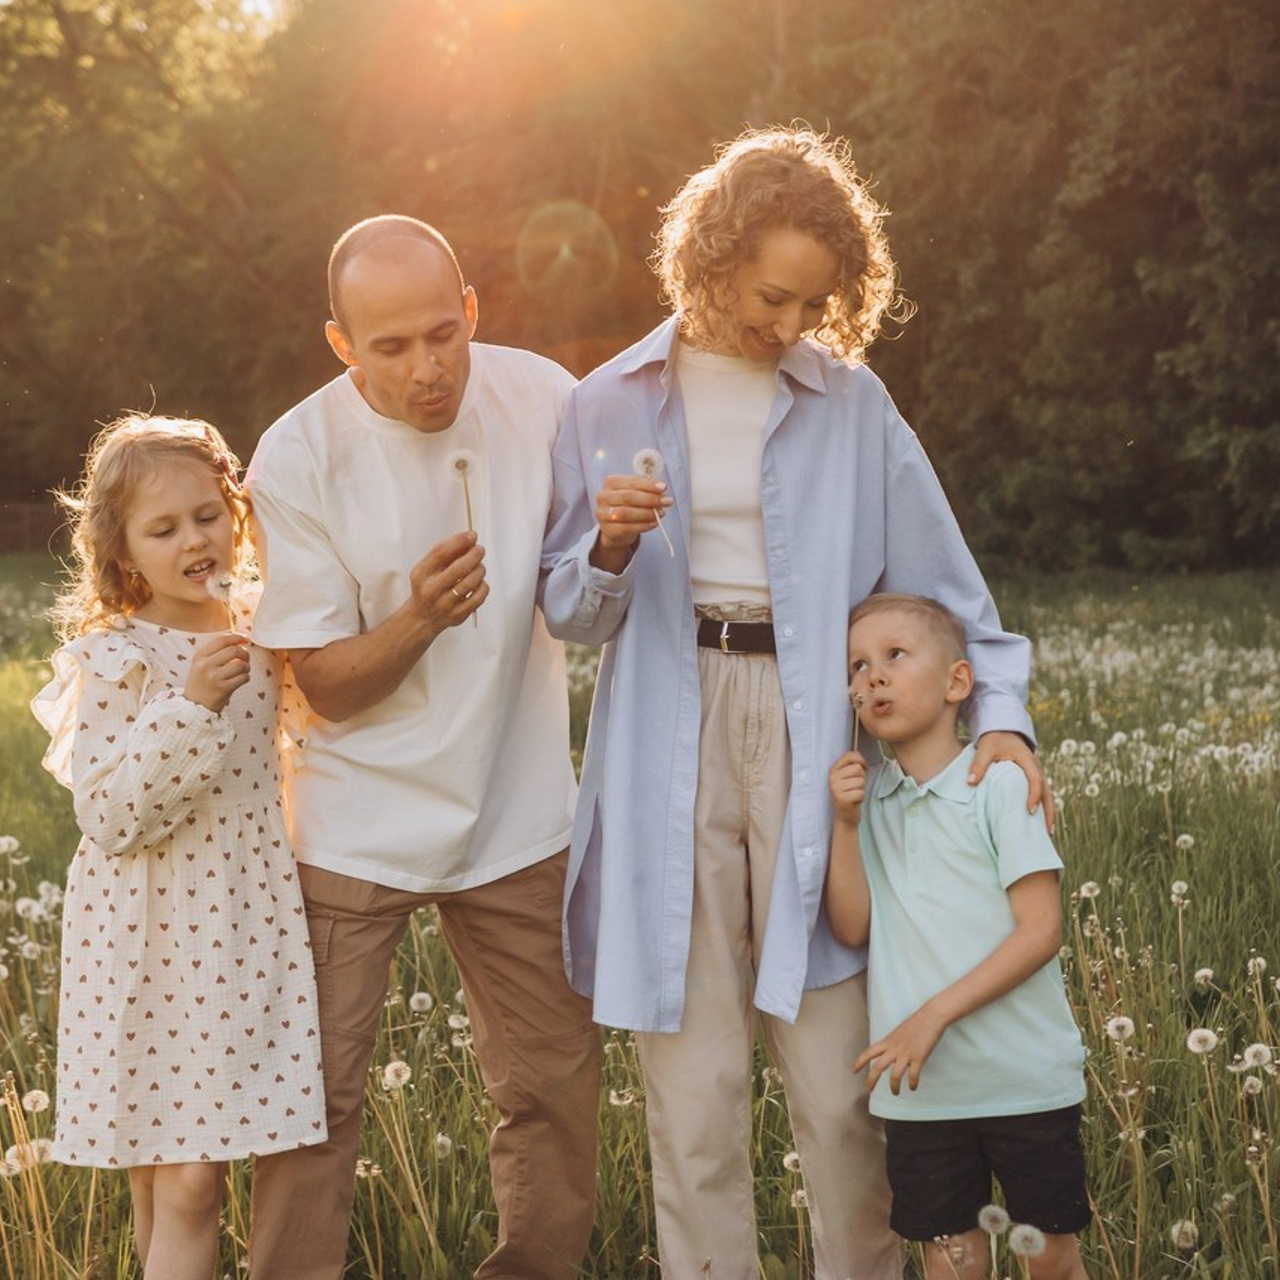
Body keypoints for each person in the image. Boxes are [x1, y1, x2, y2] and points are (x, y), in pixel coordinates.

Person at [540, 125, 1050, 1278]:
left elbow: (949, 592)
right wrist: (607, 546)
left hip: (817, 730)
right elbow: (568, 611)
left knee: (837, 1083)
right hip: (663, 729)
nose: (788, 324)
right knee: (693, 1090)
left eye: (813, 304)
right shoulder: (603, 400)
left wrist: (1002, 720)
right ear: (711, 260)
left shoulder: (851, 403)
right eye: (771, 296)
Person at [243, 214, 600, 1280]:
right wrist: (420, 619)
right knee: (315, 1099)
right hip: (351, 821)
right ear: (340, 344)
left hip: (516, 807)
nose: (427, 367)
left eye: (443, 334)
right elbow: (323, 687)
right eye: (390, 347)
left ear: (472, 311)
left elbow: (596, 573)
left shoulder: (544, 397)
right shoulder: (297, 455)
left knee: (552, 1085)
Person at [32, 415, 327, 1280]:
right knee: (173, 1178)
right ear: (122, 552)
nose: (194, 540)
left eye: (206, 515)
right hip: (141, 934)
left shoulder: (265, 628)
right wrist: (190, 705)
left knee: (184, 1179)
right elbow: (109, 815)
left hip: (239, 925)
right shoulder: (115, 656)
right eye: (162, 529)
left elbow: (308, 741)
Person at [826, 593, 1089, 1279]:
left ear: (958, 682)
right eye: (857, 666)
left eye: (894, 655)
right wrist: (845, 829)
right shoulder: (870, 802)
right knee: (953, 1263)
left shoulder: (999, 785)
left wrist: (931, 1016)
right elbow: (852, 927)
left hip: (1024, 1081)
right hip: (923, 1095)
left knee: (1050, 1259)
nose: (873, 676)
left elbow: (1041, 931)